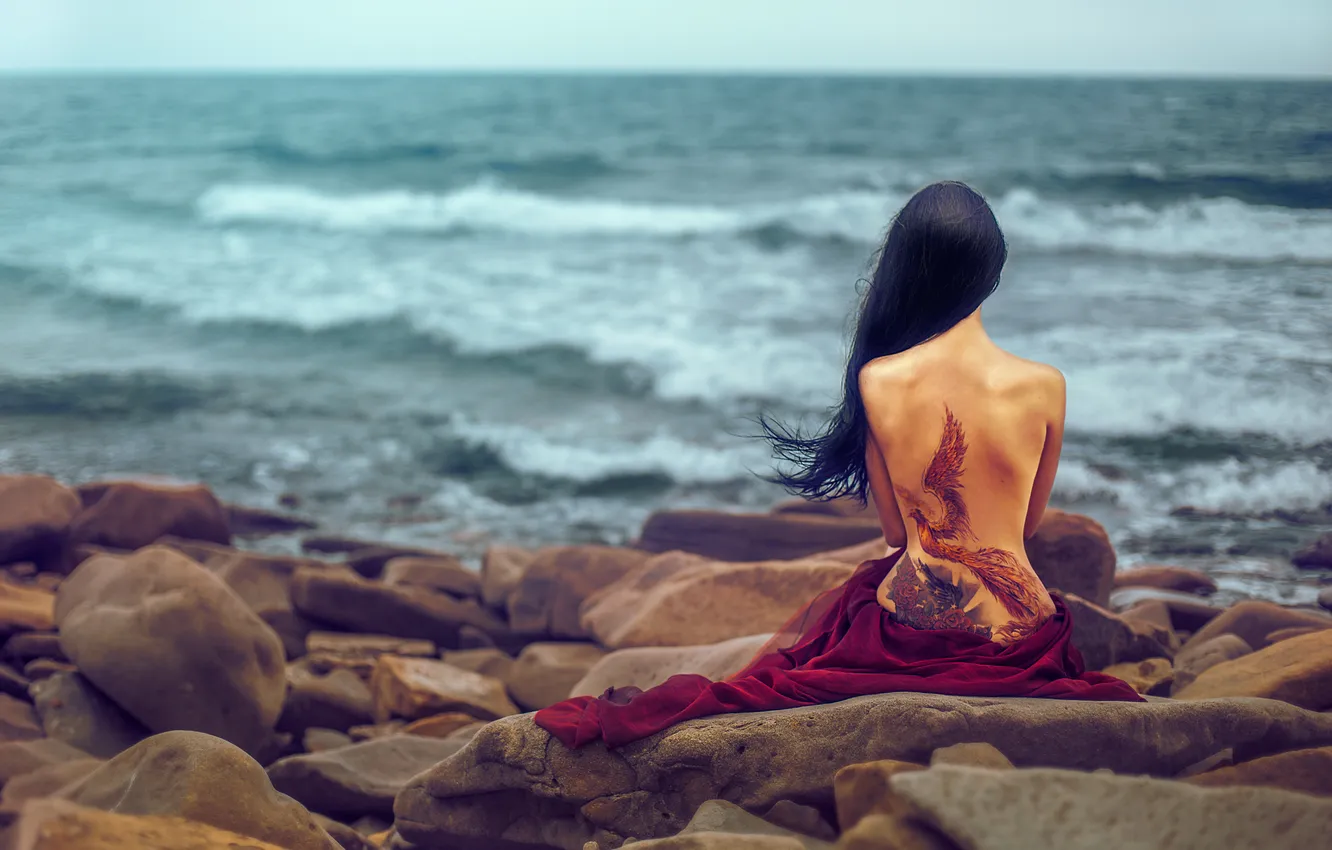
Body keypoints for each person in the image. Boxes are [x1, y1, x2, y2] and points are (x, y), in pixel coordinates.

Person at [535, 181, 1143, 750]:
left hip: (913, 630)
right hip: (1024, 638)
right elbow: (1027, 528)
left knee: (839, 617)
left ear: (904, 267)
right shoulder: (1046, 385)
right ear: (994, 271)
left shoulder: (880, 380)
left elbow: (896, 535)